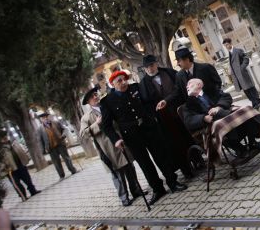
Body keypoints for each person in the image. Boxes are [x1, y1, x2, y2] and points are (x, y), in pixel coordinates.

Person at [101, 70, 187, 206]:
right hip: (132, 136)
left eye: (124, 79)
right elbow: (106, 126)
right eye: (119, 81)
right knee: (145, 164)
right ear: (112, 84)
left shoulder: (136, 88)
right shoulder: (107, 101)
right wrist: (116, 139)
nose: (124, 83)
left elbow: (149, 102)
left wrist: (151, 116)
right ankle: (158, 189)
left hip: (149, 128)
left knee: (161, 156)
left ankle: (173, 182)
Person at [79, 86, 143, 207]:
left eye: (96, 94)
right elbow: (83, 134)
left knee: (130, 166)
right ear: (88, 102)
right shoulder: (86, 117)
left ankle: (136, 191)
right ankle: (124, 198)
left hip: (119, 141)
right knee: (118, 173)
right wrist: (96, 124)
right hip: (107, 148)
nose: (95, 97)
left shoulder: (107, 106)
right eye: (92, 96)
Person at [139, 54, 195, 178]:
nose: (150, 69)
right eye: (146, 67)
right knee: (175, 144)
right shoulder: (143, 84)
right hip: (164, 120)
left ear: (156, 64)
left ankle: (198, 161)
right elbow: (145, 104)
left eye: (151, 65)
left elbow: (181, 88)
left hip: (180, 111)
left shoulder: (169, 72)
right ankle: (186, 170)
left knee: (187, 136)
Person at [182, 78, 260, 156]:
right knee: (220, 124)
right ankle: (239, 148)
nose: (187, 86)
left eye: (190, 85)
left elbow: (226, 97)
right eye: (187, 86)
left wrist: (218, 107)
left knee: (246, 110)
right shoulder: (188, 104)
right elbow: (188, 120)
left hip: (224, 112)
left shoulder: (211, 91)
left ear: (199, 85)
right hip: (212, 122)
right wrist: (203, 118)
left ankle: (252, 143)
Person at [223, 38, 260, 109]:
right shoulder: (230, 53)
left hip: (243, 74)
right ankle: (254, 102)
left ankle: (258, 102)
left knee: (251, 88)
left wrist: (242, 68)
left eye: (227, 45)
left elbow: (246, 58)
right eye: (225, 45)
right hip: (237, 76)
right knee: (246, 90)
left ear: (230, 43)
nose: (226, 47)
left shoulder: (238, 51)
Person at [38, 112, 77, 180]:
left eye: (46, 117)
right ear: (41, 119)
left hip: (60, 144)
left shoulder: (55, 122)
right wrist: (43, 150)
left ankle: (73, 170)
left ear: (48, 117)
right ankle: (61, 175)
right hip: (51, 147)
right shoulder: (40, 129)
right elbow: (40, 140)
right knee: (56, 162)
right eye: (43, 118)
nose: (45, 118)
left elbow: (64, 129)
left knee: (66, 158)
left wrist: (63, 135)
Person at [1, 135, 40, 200]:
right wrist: (4, 168)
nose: (5, 138)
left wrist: (27, 157)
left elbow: (22, 150)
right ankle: (23, 196)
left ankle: (33, 191)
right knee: (16, 184)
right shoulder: (0, 149)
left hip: (20, 165)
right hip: (11, 170)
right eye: (3, 137)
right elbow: (0, 161)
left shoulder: (13, 143)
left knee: (28, 179)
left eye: (5, 136)